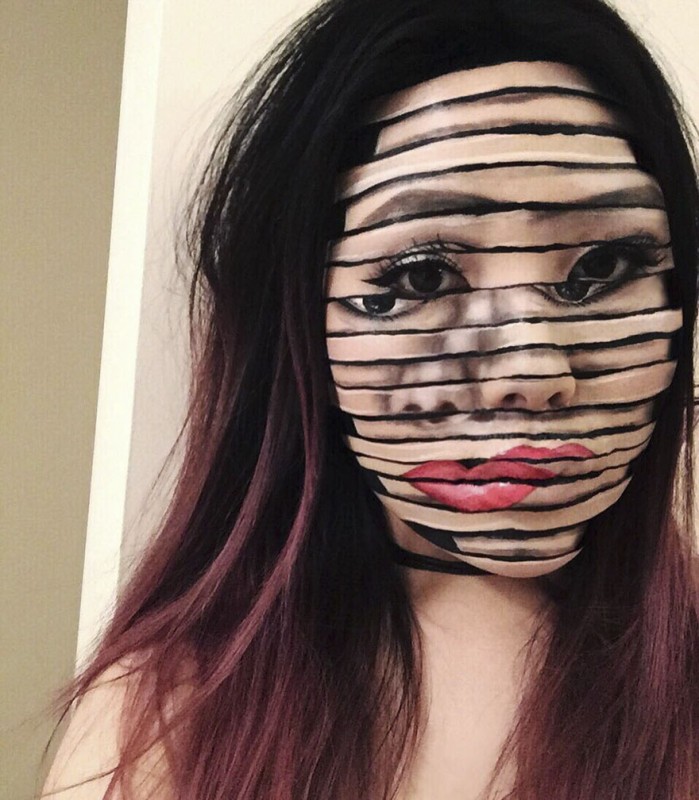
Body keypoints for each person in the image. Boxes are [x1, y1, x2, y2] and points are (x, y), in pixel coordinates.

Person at [42, 0, 699, 798]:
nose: (529, 369)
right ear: (298, 326)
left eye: (602, 267)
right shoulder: (169, 712)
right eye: (421, 276)